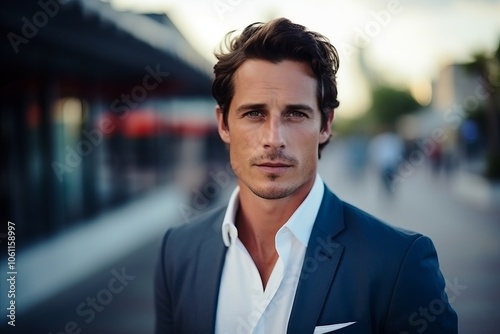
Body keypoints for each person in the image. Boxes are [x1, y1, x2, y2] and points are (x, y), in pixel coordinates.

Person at [154, 18, 458, 334]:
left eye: (296, 113)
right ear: (224, 124)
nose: (274, 138)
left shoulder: (399, 262)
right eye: (254, 113)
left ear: (326, 125)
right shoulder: (177, 251)